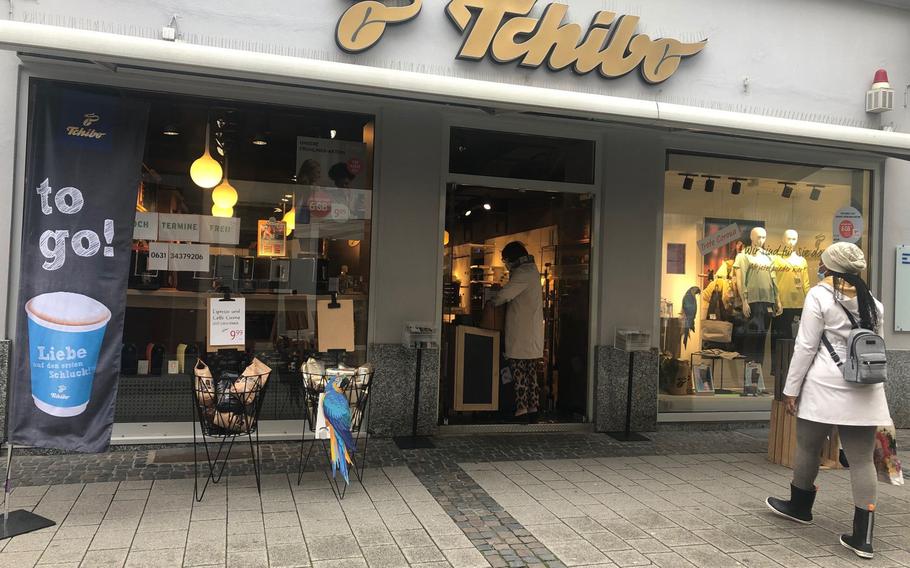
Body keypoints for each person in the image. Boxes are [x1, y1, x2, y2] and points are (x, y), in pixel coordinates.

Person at [766, 242, 890, 560]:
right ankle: (863, 537)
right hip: (865, 388)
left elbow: (806, 345)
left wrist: (790, 389)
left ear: (829, 267)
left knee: (808, 446)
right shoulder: (874, 303)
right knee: (862, 459)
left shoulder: (820, 296)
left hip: (825, 384)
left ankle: (799, 506)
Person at [489, 242, 544, 422]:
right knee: (531, 373)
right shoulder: (532, 271)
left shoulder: (522, 273)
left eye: (505, 259)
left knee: (519, 372)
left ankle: (521, 410)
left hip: (521, 333)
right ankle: (533, 408)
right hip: (531, 334)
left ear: (512, 258)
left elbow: (505, 295)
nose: (505, 263)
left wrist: (493, 300)